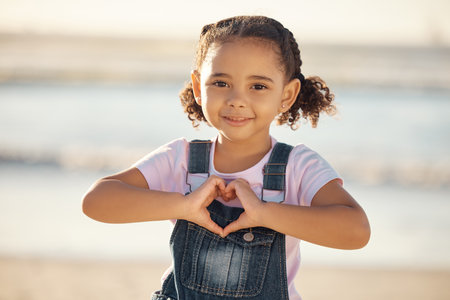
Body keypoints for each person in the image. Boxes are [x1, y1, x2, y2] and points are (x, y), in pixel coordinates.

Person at [82, 15, 370, 300]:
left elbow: (356, 231)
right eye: (220, 83)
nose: (236, 99)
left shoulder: (298, 167)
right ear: (198, 86)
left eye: (258, 86)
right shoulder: (181, 159)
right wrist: (183, 205)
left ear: (287, 94)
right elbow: (97, 202)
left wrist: (264, 213)